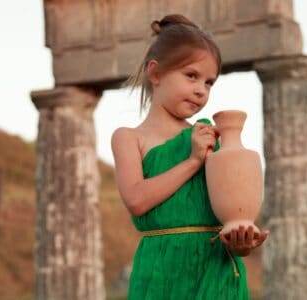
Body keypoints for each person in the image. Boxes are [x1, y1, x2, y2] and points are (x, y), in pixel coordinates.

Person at [111, 14, 269, 300]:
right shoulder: (129, 138)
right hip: (161, 274)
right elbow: (136, 200)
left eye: (209, 82)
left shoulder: (211, 138)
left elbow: (230, 218)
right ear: (156, 73)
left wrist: (241, 243)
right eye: (191, 75)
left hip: (217, 273)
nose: (201, 90)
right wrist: (193, 161)